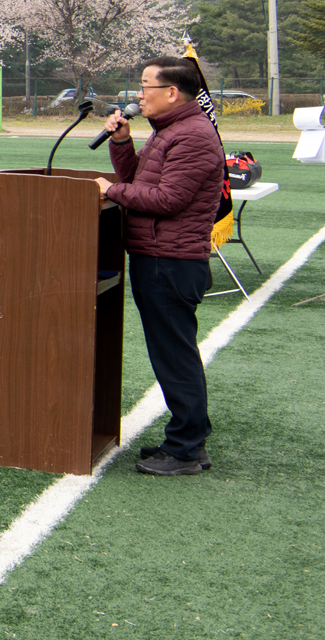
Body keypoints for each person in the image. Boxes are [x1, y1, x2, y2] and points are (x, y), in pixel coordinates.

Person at [94, 56, 227, 476]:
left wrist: (110, 190)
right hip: (159, 257)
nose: (139, 94)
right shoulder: (170, 131)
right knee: (172, 353)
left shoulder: (192, 136)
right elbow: (140, 181)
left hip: (170, 262)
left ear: (171, 92)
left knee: (174, 356)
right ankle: (188, 441)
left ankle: (186, 449)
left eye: (145, 85)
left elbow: (168, 200)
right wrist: (121, 143)